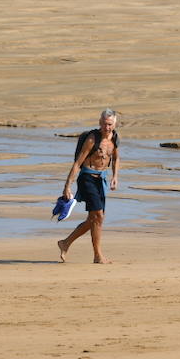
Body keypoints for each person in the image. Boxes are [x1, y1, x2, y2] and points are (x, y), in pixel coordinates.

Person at [57, 109, 121, 264]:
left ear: (115, 124)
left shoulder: (115, 138)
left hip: (102, 180)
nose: (107, 128)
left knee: (95, 218)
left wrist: (115, 176)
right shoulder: (92, 139)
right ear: (100, 122)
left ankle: (65, 243)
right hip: (87, 178)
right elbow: (78, 163)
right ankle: (98, 256)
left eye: (110, 124)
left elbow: (116, 158)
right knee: (98, 216)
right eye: (104, 124)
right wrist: (67, 186)